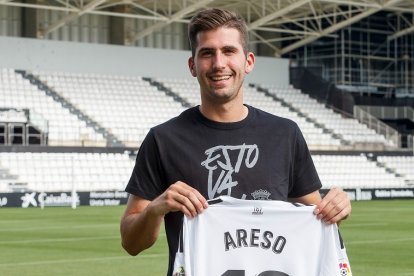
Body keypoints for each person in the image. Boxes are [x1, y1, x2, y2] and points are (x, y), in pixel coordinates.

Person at [120, 8, 351, 276]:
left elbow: (316, 217)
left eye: (229, 51)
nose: (219, 63)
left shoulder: (285, 134)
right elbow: (131, 243)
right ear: (192, 66)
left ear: (248, 61)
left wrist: (336, 208)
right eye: (207, 53)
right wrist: (155, 209)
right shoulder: (162, 139)